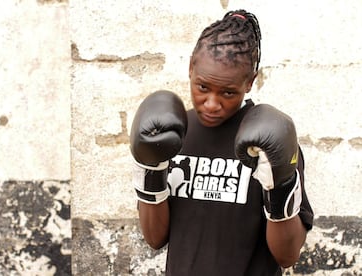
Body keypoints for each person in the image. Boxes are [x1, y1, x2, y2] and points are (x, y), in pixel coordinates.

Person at [129, 9, 313, 276]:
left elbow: (287, 255)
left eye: (228, 92)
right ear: (191, 67)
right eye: (203, 87)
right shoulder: (169, 135)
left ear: (249, 82)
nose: (212, 104)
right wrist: (149, 170)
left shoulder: (270, 143)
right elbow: (155, 238)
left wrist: (280, 190)